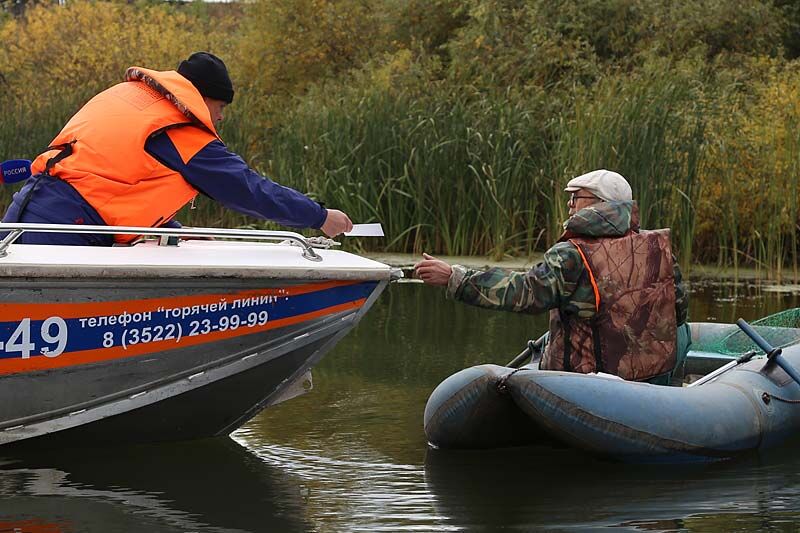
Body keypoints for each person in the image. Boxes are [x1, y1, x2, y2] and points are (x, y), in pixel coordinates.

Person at [2, 52, 352, 246]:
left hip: (27, 209)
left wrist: (171, 226)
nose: (220, 117)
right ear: (202, 98)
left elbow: (116, 177)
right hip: (70, 232)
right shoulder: (181, 132)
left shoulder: (130, 98)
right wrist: (318, 216)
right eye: (221, 107)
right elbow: (247, 189)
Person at [414, 169, 690, 385]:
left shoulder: (572, 254)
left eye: (576, 197)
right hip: (650, 377)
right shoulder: (657, 249)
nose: (569, 205)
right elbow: (678, 312)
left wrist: (455, 277)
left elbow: (525, 293)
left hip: (586, 385)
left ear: (601, 204)